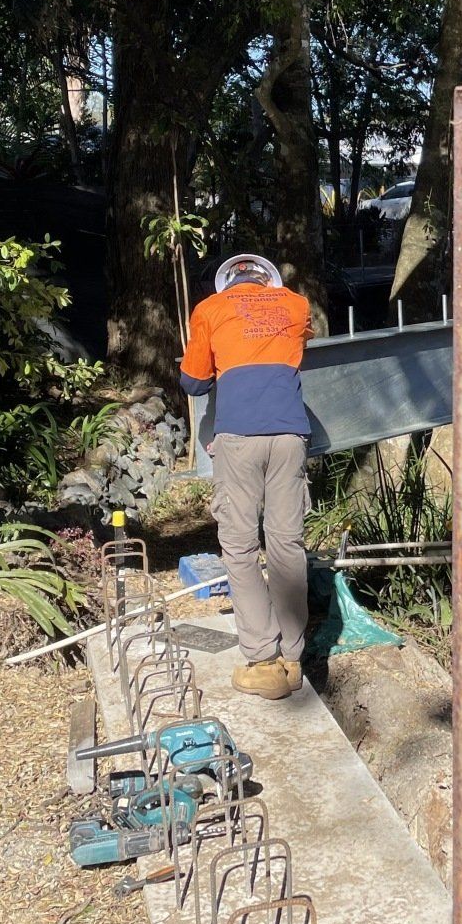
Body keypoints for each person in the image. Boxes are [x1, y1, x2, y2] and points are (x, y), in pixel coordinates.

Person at [179, 253, 313, 700]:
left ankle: (263, 660)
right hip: (291, 435)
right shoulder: (296, 304)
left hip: (240, 437)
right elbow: (296, 355)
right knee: (286, 541)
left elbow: (194, 383)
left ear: (227, 283)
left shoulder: (210, 310)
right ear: (267, 280)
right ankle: (293, 657)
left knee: (239, 546)